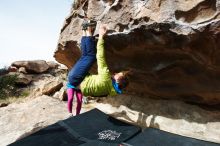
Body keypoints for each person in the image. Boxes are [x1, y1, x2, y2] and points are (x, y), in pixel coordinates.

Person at [66, 19, 97, 116]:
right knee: (71, 99)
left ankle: (86, 29)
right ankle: (70, 113)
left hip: (76, 81)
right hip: (73, 82)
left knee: (89, 55)